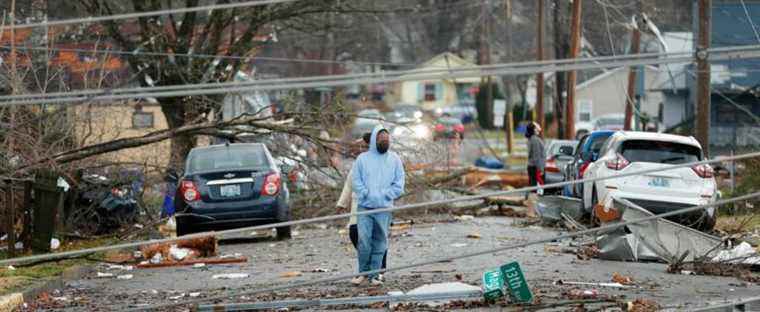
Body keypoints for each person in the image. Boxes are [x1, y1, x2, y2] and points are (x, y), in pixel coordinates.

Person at [350, 125, 405, 286]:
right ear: (374, 140)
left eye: (387, 140)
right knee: (364, 240)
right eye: (381, 139)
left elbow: (399, 182)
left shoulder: (394, 159)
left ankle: (374, 275)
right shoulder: (362, 159)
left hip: (384, 207)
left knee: (380, 241)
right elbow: (356, 181)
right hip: (365, 207)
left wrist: (388, 195)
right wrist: (365, 193)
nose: (384, 142)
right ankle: (363, 272)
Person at [336, 133, 388, 279]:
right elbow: (349, 183)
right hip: (358, 206)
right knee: (355, 233)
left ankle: (379, 270)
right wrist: (342, 203)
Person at [526, 122, 545, 195]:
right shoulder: (535, 140)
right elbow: (536, 156)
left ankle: (531, 201)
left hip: (533, 166)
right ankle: (532, 202)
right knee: (534, 188)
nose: (539, 126)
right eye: (537, 125)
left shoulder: (532, 139)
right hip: (535, 167)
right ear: (534, 129)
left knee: (533, 186)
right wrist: (540, 168)